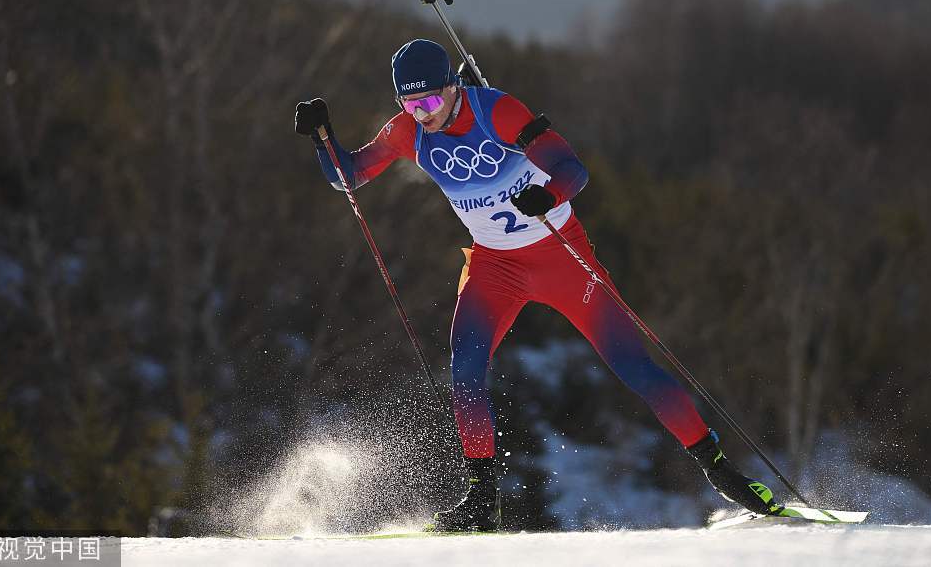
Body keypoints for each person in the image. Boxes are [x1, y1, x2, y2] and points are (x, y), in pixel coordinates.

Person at [295, 39, 781, 532]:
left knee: (634, 367)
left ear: (453, 88)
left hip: (560, 256)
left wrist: (547, 195)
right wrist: (322, 139)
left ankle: (721, 473)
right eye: (410, 104)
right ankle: (482, 499)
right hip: (494, 268)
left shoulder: (498, 111)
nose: (422, 114)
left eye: (431, 102)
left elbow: (573, 169)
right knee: (464, 371)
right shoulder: (407, 132)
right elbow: (349, 176)